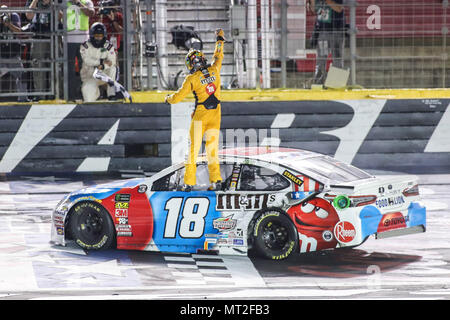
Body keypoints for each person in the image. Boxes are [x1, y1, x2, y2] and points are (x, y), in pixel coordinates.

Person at [165, 29, 225, 192]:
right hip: (216, 114)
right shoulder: (214, 69)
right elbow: (218, 56)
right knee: (212, 149)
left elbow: (177, 98)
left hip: (200, 116)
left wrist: (168, 98)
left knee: (193, 151)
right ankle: (217, 181)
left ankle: (189, 183)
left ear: (190, 64)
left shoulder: (191, 79)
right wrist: (219, 40)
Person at [61, 0, 95, 101]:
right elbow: (58, 17)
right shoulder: (64, 2)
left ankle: (84, 94)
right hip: (68, 41)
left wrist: (78, 3)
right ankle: (70, 95)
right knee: (69, 70)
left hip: (84, 41)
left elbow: (91, 13)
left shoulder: (87, 2)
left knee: (84, 69)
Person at [308, 0, 346, 84]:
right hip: (322, 31)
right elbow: (313, 9)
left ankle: (337, 84)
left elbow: (339, 8)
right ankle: (318, 83)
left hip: (336, 31)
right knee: (321, 58)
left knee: (337, 59)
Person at [80, 22, 117, 102]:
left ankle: (111, 94)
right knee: (88, 99)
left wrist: (103, 66)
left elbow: (112, 61)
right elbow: (87, 60)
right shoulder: (85, 46)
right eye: (96, 36)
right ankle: (96, 93)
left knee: (113, 69)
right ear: (92, 36)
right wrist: (101, 62)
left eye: (100, 36)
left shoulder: (108, 46)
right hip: (90, 75)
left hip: (103, 73)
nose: (98, 38)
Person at [0, 5, 29, 102]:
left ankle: (23, 98)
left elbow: (19, 32)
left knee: (22, 75)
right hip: (1, 56)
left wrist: (8, 24)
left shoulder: (14, 16)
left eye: (6, 13)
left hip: (14, 55)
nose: (4, 15)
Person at [26, 0, 52, 99]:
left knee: (56, 67)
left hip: (53, 37)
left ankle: (56, 95)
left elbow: (60, 17)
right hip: (38, 37)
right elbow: (28, 16)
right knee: (38, 68)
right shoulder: (32, 1)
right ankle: (41, 96)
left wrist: (50, 3)